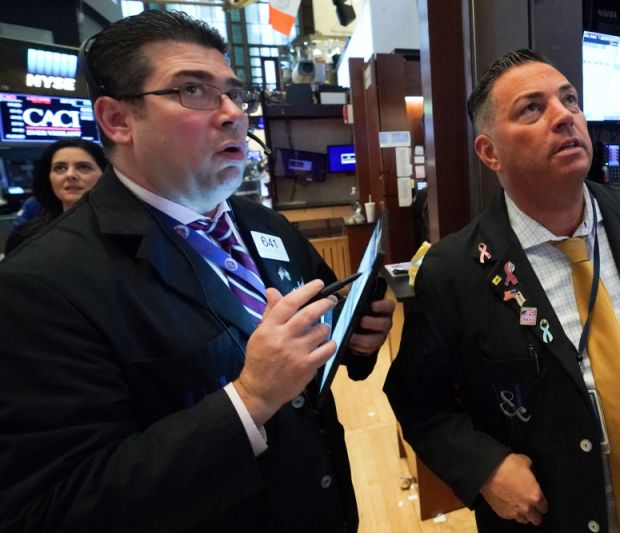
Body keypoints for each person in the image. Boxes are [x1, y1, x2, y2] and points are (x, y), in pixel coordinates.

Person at [0, 10, 393, 532]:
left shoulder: (262, 224)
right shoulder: (43, 284)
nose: (232, 113)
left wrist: (355, 338)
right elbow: (54, 508)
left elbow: (320, 320)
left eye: (233, 92)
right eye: (193, 91)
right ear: (118, 120)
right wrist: (249, 399)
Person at [384, 49, 620, 532]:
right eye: (532, 109)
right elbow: (418, 401)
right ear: (489, 152)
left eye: (571, 100)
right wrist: (484, 467)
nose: (564, 116)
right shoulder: (453, 271)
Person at [4, 138, 107, 254]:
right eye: (60, 168)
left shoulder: (126, 232)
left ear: (106, 175)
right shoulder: (25, 238)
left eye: (83, 167)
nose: (70, 175)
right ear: (48, 178)